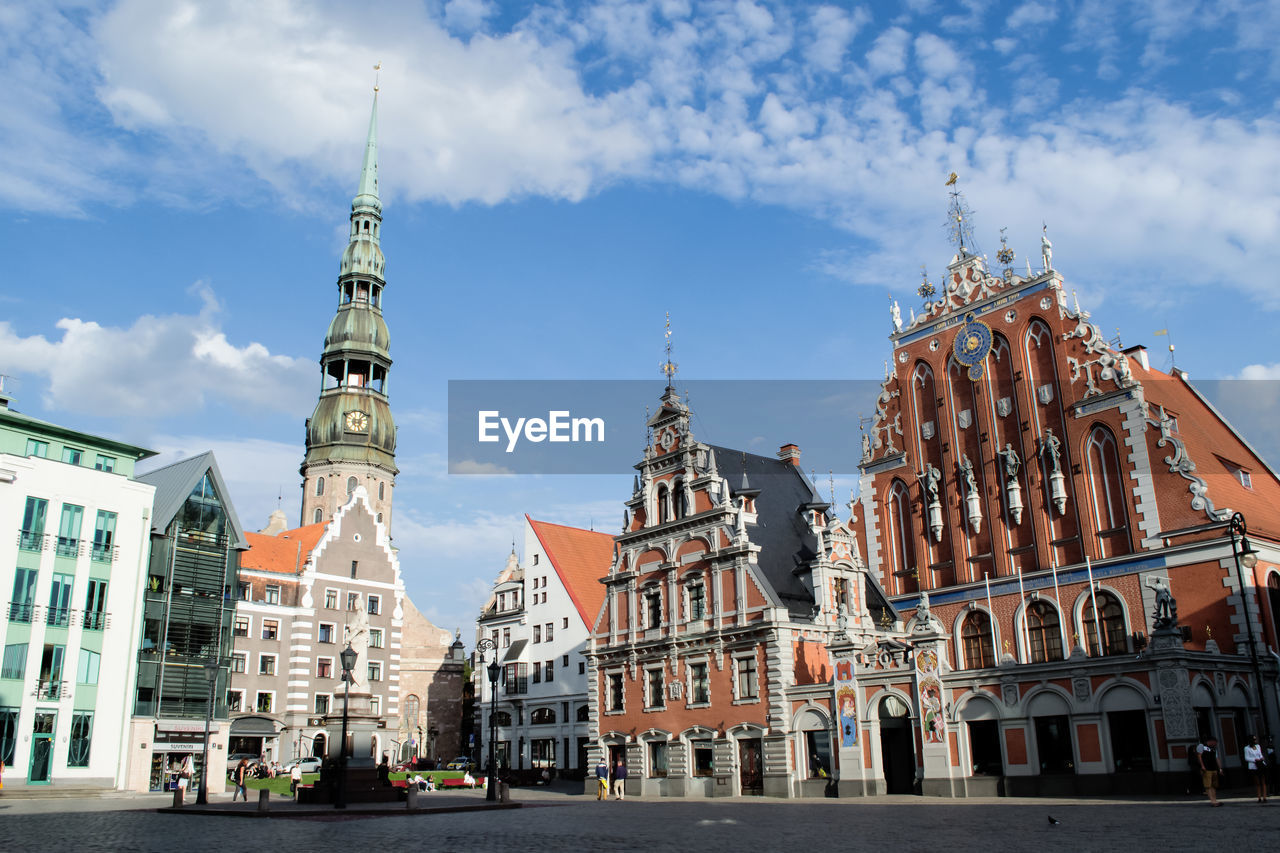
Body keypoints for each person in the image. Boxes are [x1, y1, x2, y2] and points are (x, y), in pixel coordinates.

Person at [1198, 735, 1222, 807]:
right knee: (1208, 785)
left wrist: (1220, 768)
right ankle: (1212, 801)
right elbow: (1199, 756)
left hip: (1214, 768)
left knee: (1214, 785)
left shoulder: (1213, 749)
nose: (1216, 744)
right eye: (1215, 742)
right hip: (1206, 769)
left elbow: (1216, 758)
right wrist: (1202, 766)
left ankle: (1215, 800)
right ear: (1211, 741)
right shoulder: (1201, 746)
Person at [1245, 735, 1268, 803]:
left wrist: (1261, 757)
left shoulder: (1258, 746)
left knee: (1263, 781)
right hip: (1254, 766)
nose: (1256, 740)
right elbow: (1246, 758)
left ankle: (1264, 797)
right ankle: (1259, 797)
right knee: (1257, 782)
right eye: (1254, 739)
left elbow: (1260, 754)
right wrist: (1255, 759)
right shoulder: (1246, 748)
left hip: (1261, 765)